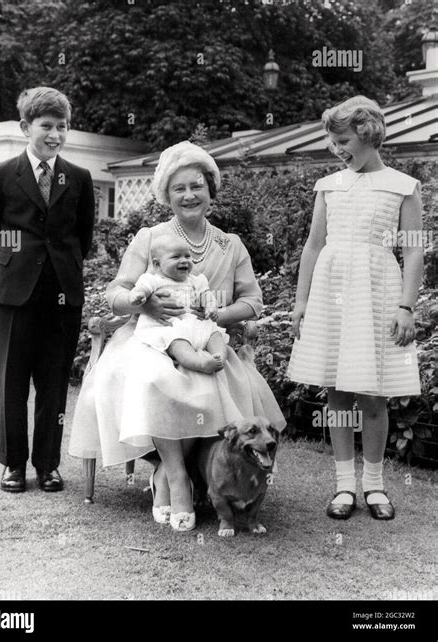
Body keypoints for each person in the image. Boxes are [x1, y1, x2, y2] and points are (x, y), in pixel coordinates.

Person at [69, 140, 285, 531]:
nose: (189, 194)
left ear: (210, 190)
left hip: (206, 337)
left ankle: (196, 474)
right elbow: (115, 292)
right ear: (166, 195)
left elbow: (253, 301)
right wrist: (143, 305)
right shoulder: (149, 238)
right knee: (157, 378)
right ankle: (175, 476)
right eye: (179, 187)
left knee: (214, 378)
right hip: (148, 339)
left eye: (197, 185)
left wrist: (220, 313)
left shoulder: (228, 244)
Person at [288, 96, 423, 521]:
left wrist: (406, 306)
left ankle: (375, 484)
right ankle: (344, 484)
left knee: (373, 392)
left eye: (343, 140)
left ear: (368, 134)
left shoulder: (404, 186)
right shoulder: (329, 186)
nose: (337, 149)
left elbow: (415, 252)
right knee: (338, 390)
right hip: (333, 290)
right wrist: (301, 301)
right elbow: (313, 245)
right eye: (332, 143)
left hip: (378, 290)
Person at [0, 86, 95, 493]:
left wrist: (58, 262)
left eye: (62, 126)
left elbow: (83, 237)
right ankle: (13, 464)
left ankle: (48, 464)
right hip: (11, 293)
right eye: (47, 126)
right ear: (27, 127)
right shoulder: (1, 173)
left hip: (62, 294)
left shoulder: (79, 177)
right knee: (11, 380)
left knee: (55, 379)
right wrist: (22, 252)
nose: (55, 134)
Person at [130, 235, 228, 374]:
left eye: (187, 256)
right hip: (168, 326)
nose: (184, 261)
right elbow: (143, 288)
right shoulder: (154, 280)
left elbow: (206, 294)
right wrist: (138, 294)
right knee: (177, 342)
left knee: (215, 334)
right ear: (157, 264)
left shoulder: (195, 280)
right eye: (176, 257)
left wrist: (210, 306)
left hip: (195, 324)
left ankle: (219, 359)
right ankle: (199, 363)